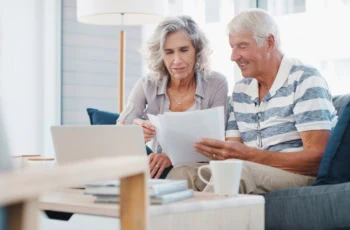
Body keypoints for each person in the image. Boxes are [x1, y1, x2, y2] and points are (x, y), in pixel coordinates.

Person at [191, 9, 338, 194]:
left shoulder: (305, 79)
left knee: (237, 174)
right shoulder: (241, 90)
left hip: (300, 174)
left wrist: (250, 156)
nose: (234, 56)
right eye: (232, 47)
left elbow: (318, 158)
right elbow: (232, 151)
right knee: (184, 174)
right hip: (254, 169)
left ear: (269, 43)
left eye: (242, 46)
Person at [117, 16, 228, 179]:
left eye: (184, 50)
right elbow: (120, 131)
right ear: (161, 55)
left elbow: (217, 143)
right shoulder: (148, 83)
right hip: (158, 170)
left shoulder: (216, 83)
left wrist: (171, 157)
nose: (177, 60)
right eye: (169, 52)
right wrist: (135, 133)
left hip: (201, 169)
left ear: (196, 50)